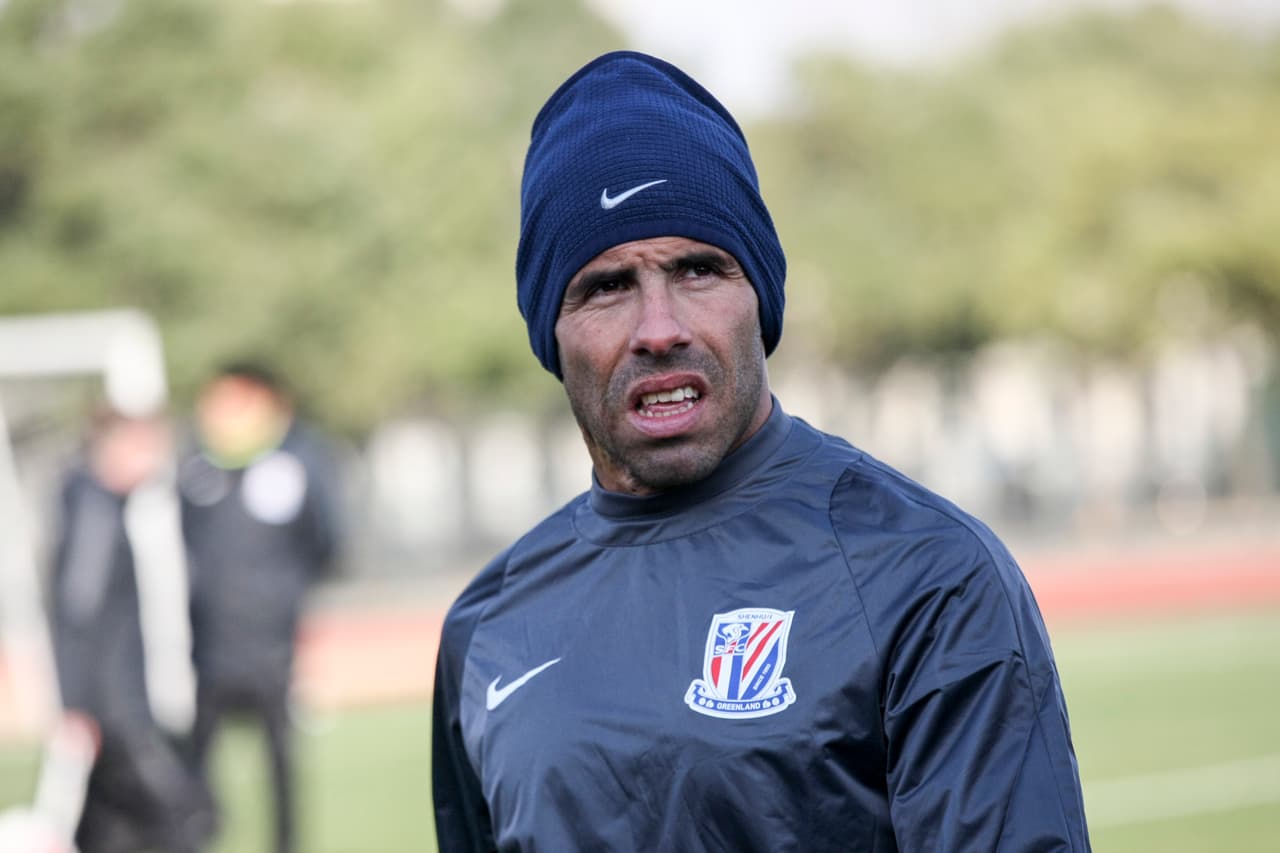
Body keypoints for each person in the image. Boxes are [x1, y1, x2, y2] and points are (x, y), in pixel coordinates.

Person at [432, 51, 1091, 851]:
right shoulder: (490, 622)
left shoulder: (924, 574)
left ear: (761, 298)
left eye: (699, 269)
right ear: (550, 330)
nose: (660, 327)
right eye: (606, 286)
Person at [178, 362, 344, 853]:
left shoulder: (297, 462)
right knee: (196, 761)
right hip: (203, 644)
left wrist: (285, 596)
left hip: (271, 642)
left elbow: (325, 541)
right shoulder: (195, 467)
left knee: (279, 761)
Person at [48, 408, 209, 853]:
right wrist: (78, 701)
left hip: (127, 699)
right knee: (183, 819)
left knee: (115, 829)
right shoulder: (94, 511)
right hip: (120, 706)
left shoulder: (129, 509)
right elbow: (77, 611)